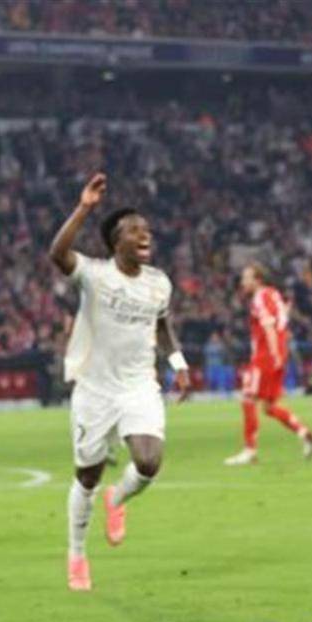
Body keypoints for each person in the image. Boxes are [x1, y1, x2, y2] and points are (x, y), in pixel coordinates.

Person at [48, 173, 191, 591]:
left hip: (138, 386)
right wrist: (84, 208)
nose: (145, 234)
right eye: (134, 230)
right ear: (116, 242)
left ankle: (118, 498)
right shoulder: (95, 275)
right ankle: (77, 553)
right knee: (87, 476)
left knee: (148, 462)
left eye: (146, 229)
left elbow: (162, 327)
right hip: (94, 390)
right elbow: (58, 253)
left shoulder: (159, 282)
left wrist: (178, 362)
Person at [223, 264, 312, 466]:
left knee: (247, 398)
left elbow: (268, 325)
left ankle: (250, 450)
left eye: (246, 278)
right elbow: (283, 319)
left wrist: (273, 353)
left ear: (257, 280)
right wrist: (280, 353)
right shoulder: (274, 294)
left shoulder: (260, 297)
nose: (243, 282)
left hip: (265, 356)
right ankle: (303, 432)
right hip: (279, 354)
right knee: (268, 407)